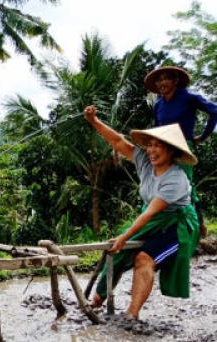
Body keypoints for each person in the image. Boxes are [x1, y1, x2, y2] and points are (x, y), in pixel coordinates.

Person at [84, 105, 199, 320]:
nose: (152, 151)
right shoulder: (145, 161)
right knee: (117, 252)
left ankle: (132, 314)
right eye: (150, 145)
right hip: (154, 217)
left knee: (144, 258)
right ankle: (97, 300)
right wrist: (94, 121)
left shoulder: (176, 179)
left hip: (177, 224)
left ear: (171, 151)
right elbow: (118, 142)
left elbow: (150, 214)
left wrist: (124, 236)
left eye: (158, 147)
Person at [145, 65, 217, 238]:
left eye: (166, 78)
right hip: (164, 149)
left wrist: (203, 136)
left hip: (183, 147)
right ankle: (166, 222)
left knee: (184, 182)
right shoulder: (159, 105)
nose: (162, 83)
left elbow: (214, 111)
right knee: (162, 182)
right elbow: (157, 128)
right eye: (159, 80)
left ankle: (196, 224)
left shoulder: (188, 97)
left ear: (175, 80)